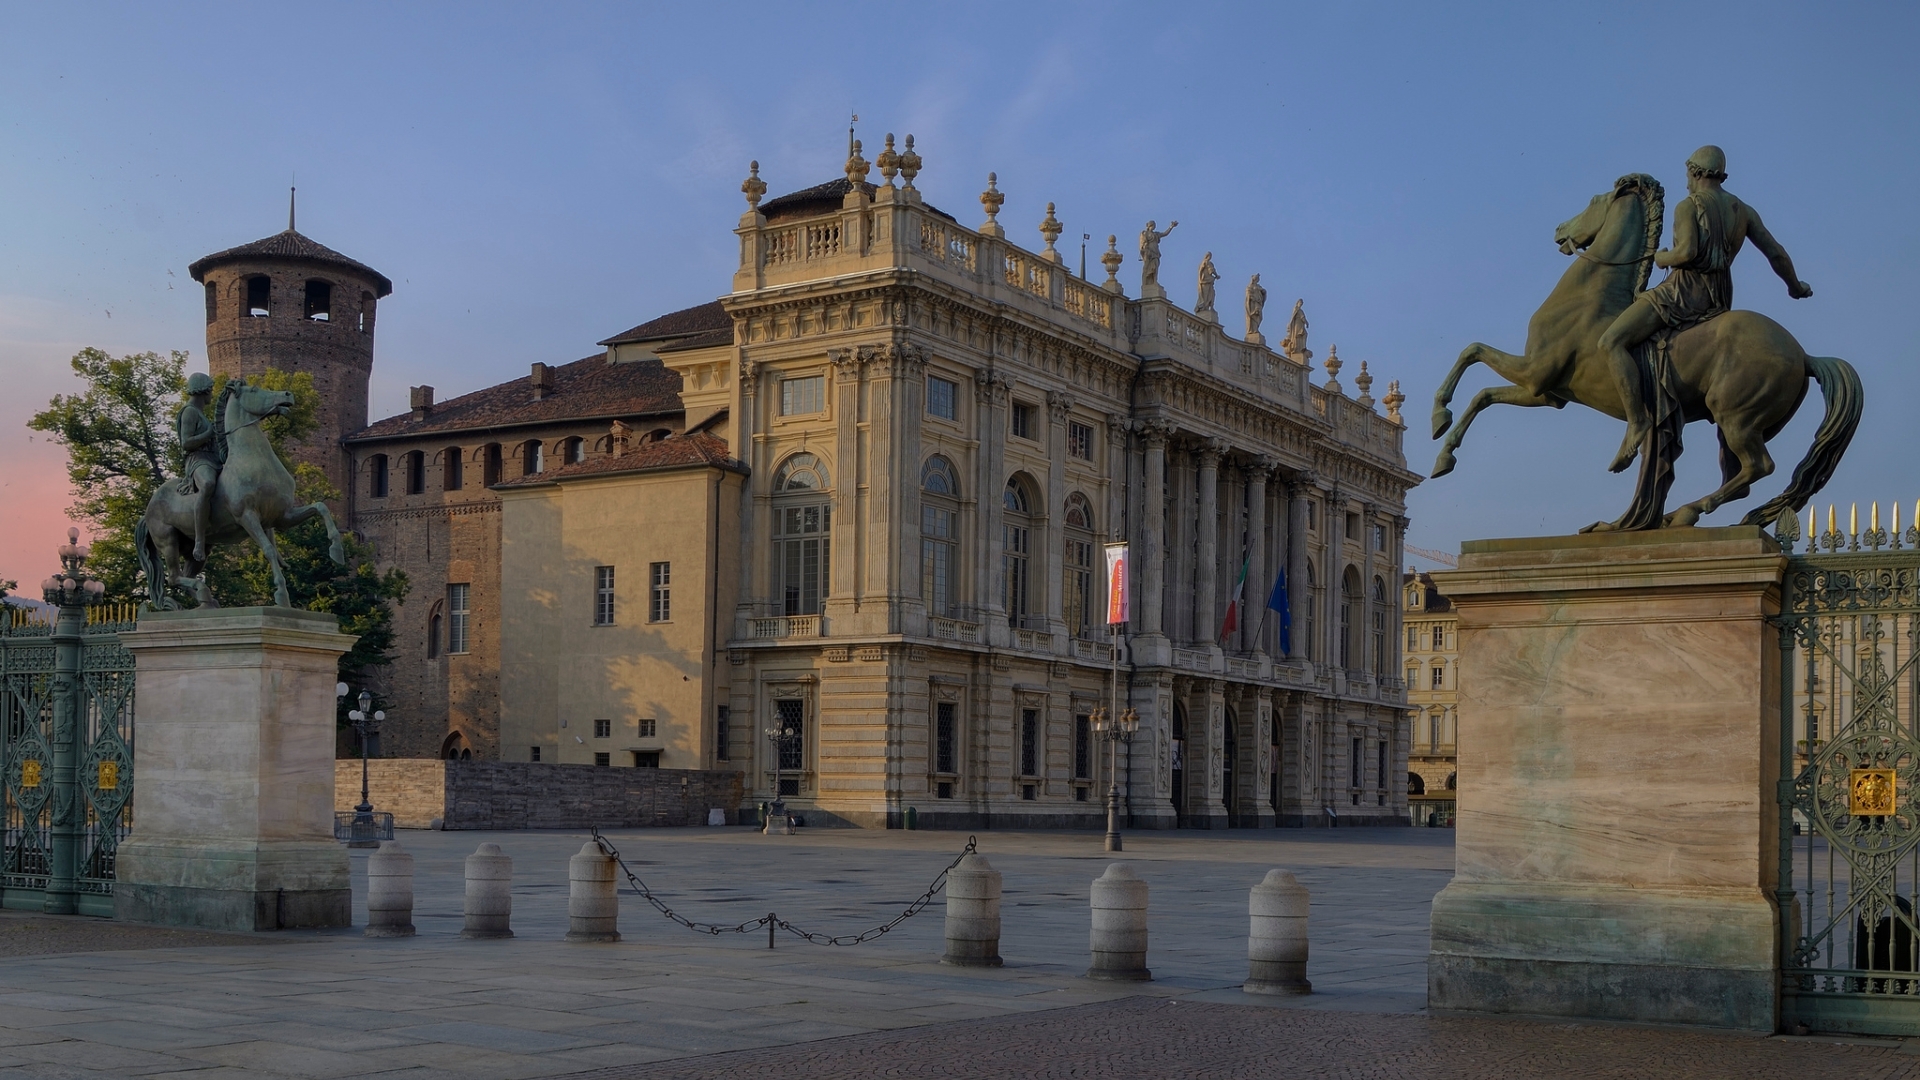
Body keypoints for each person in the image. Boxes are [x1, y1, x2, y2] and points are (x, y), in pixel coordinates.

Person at [1598, 145, 1813, 473]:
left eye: (1687, 174)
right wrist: (1794, 286)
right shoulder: (1743, 211)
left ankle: (1637, 422)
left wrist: (1660, 257)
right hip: (1717, 300)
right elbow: (1776, 253)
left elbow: (1686, 253)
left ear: (1697, 173)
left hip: (1681, 296)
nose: (1686, 182)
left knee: (1611, 341)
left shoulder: (1689, 206)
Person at [176, 372, 220, 561]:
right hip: (198, 460)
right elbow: (186, 443)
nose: (212, 394)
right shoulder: (190, 412)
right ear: (204, 391)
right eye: (210, 390)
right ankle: (199, 540)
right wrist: (209, 433)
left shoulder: (200, 413)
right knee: (208, 484)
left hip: (213, 458)